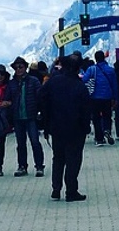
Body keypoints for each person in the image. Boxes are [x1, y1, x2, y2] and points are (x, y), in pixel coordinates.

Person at [37, 53, 91, 201]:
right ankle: (71, 191)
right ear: (78, 68)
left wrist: (46, 116)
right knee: (73, 159)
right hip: (75, 128)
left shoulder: (54, 81)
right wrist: (86, 127)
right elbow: (86, 109)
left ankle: (56, 188)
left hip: (56, 126)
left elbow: (40, 95)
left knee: (58, 158)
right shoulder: (80, 86)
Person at [6, 56, 44, 177]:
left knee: (35, 142)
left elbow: (40, 97)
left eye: (20, 67)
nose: (18, 69)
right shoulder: (11, 84)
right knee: (20, 144)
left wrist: (40, 112)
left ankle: (39, 166)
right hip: (17, 117)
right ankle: (22, 166)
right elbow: (8, 98)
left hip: (31, 115)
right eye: (16, 67)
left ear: (25, 67)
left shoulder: (33, 81)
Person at [81, 50, 119, 146]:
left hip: (94, 97)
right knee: (107, 116)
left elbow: (84, 80)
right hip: (107, 97)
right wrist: (115, 98)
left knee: (96, 118)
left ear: (96, 58)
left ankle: (99, 139)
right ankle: (107, 130)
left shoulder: (91, 69)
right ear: (104, 58)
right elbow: (115, 85)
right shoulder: (111, 70)